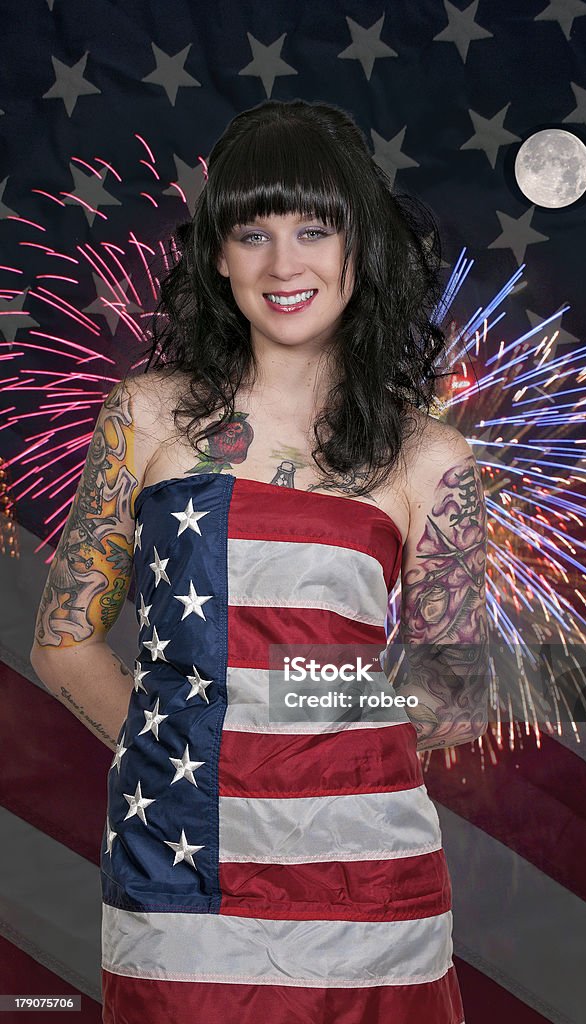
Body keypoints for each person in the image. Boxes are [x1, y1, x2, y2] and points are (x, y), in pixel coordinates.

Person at [30, 98, 489, 1024]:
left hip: (370, 886)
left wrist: (274, 703)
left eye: (314, 229)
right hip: (179, 871)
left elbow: (452, 702)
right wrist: (188, 753)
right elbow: (62, 642)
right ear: (218, 257)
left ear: (358, 247)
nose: (285, 265)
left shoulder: (432, 461)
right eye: (254, 234)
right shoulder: (146, 416)